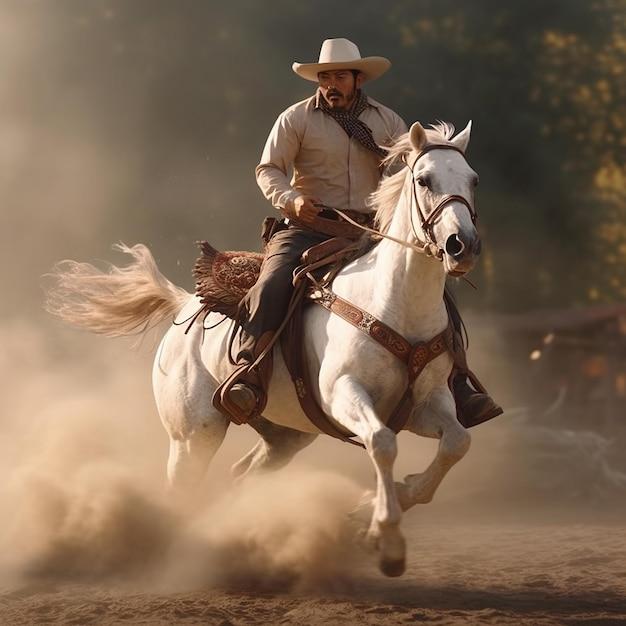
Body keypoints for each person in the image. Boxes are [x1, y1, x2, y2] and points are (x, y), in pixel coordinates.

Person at [213, 38, 502, 428]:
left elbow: (407, 179)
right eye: (325, 76)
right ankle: (249, 373)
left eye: (340, 76)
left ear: (357, 79)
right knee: (272, 283)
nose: (331, 83)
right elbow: (268, 170)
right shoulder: (295, 118)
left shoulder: (389, 123)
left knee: (435, 293)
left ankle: (458, 382)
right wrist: (292, 200)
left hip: (371, 230)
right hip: (306, 226)